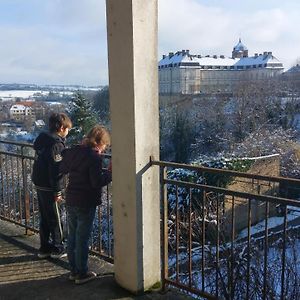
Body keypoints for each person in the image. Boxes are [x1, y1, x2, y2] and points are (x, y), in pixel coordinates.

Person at [60, 125, 112, 284]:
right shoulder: (94, 157)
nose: (104, 149)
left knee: (73, 237)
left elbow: (63, 167)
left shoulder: (75, 151)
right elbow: (96, 182)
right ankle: (81, 273)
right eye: (104, 145)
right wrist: (109, 172)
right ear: (99, 143)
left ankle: (73, 271)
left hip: (71, 199)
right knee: (82, 238)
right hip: (86, 202)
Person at [32, 113, 72, 258]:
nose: (68, 132)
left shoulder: (42, 139)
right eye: (67, 129)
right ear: (61, 127)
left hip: (39, 182)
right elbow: (56, 170)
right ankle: (58, 248)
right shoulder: (56, 144)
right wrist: (58, 191)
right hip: (50, 186)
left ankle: (44, 248)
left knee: (45, 216)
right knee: (55, 217)